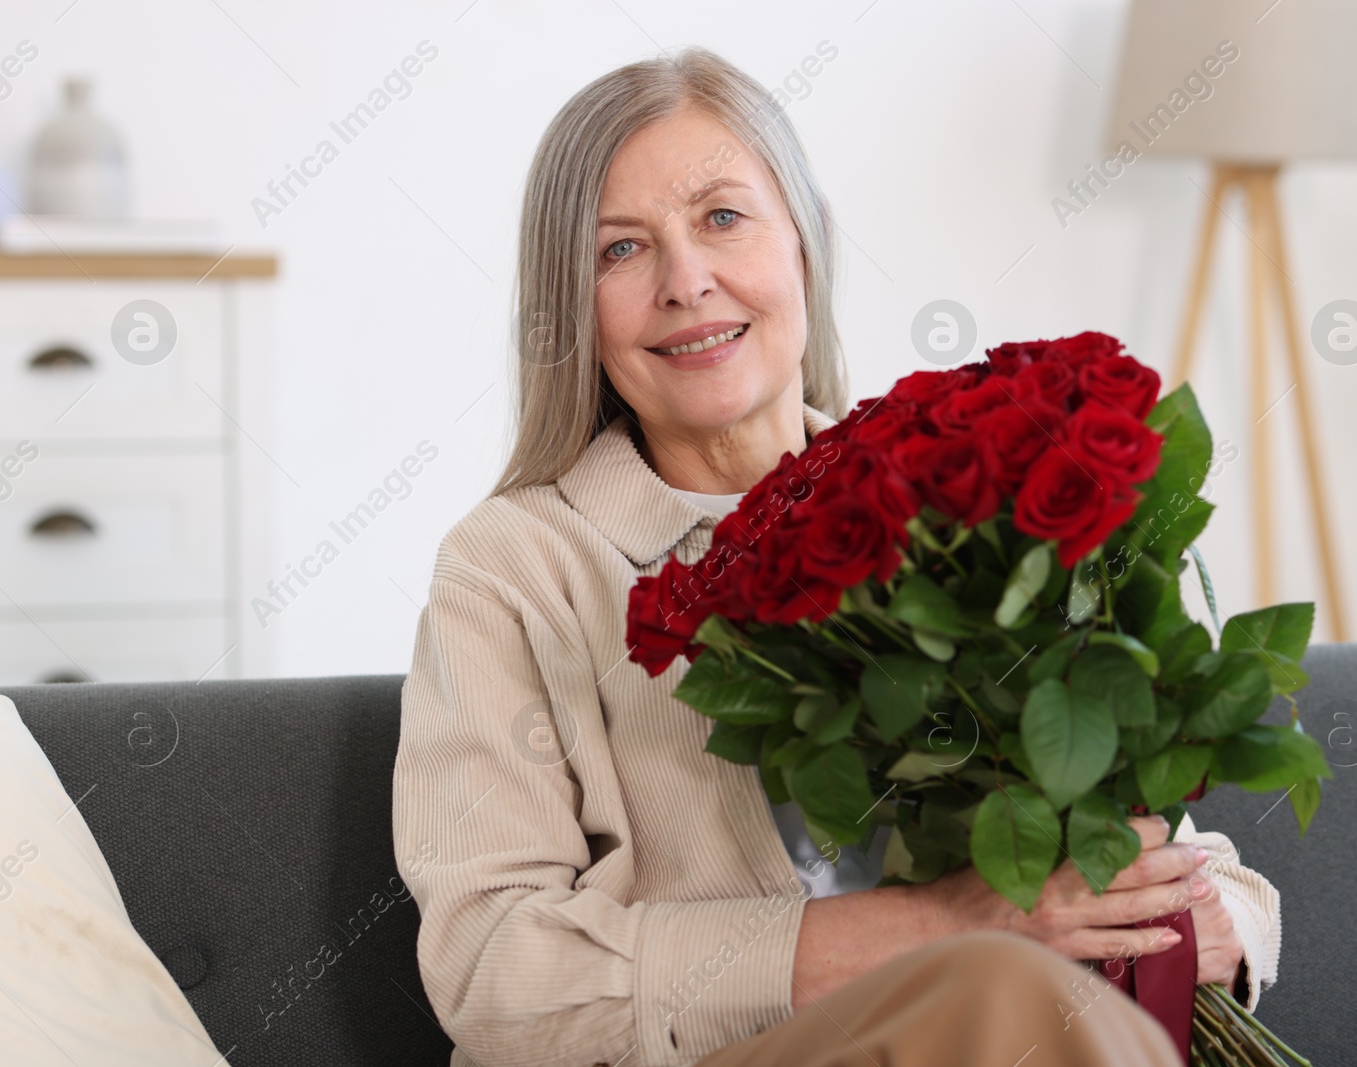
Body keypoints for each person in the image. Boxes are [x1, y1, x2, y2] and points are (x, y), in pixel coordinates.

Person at [391, 45, 1279, 1067]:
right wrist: (942, 927)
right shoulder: (508, 569)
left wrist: (1211, 925)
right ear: (573, 312)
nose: (687, 281)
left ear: (802, 248)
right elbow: (494, 971)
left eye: (722, 218)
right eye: (619, 251)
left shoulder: (950, 499)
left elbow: (1177, 849)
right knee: (1002, 981)